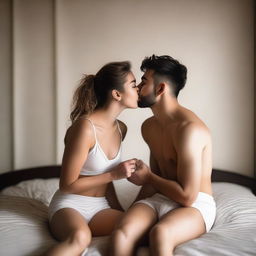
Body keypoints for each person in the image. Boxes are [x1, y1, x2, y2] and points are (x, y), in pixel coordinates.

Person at [110, 55, 216, 256]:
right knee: (121, 233)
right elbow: (155, 179)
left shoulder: (190, 130)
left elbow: (187, 196)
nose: (137, 88)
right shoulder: (149, 127)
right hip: (160, 197)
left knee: (160, 233)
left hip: (195, 204)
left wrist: (148, 176)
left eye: (143, 81)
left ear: (160, 89)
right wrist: (131, 210)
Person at [46, 61, 139, 256]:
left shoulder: (121, 128)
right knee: (80, 238)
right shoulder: (85, 128)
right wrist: (114, 174)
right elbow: (67, 184)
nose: (138, 89)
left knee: (135, 228)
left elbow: (108, 181)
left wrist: (122, 212)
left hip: (100, 208)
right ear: (117, 94)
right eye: (133, 84)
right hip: (70, 205)